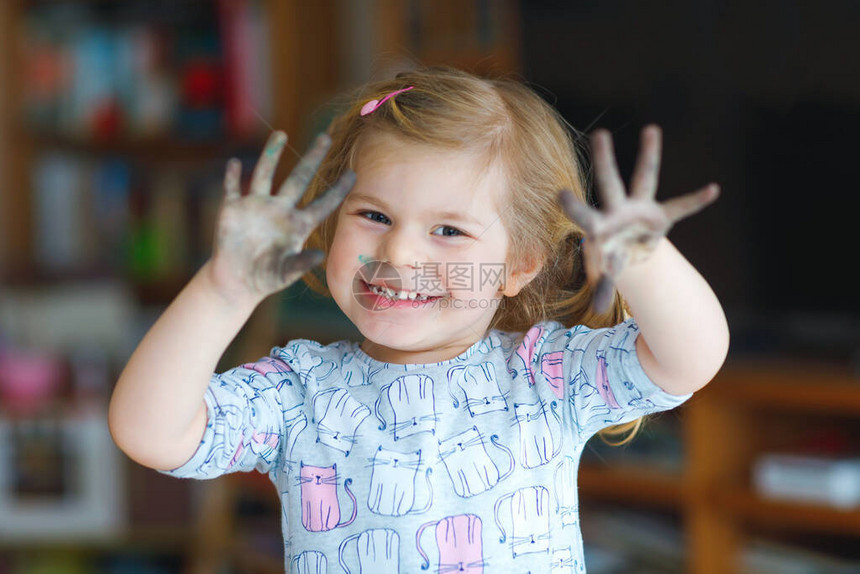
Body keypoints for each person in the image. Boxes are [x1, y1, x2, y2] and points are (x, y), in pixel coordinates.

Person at [109, 67, 728, 573]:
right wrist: (222, 291)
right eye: (373, 216)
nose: (399, 255)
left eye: (449, 231)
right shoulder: (299, 391)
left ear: (519, 265)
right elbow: (151, 433)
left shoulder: (546, 379)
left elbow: (689, 359)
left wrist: (646, 261)